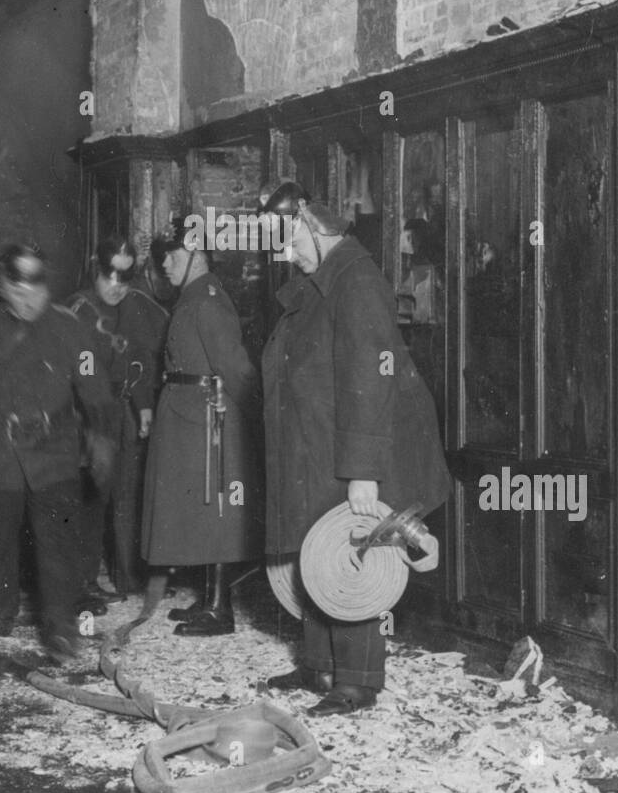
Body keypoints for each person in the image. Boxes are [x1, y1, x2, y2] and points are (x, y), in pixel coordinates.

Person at [258, 182, 452, 715]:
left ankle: (358, 680)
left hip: (357, 444)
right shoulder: (322, 280)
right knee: (316, 544)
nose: (284, 251)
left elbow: (371, 379)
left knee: (354, 550)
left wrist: (364, 472)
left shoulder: (358, 283)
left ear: (313, 227)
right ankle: (320, 665)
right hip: (321, 437)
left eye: (287, 238)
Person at [0, 244, 117, 664]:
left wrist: (101, 437)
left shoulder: (68, 327)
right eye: (19, 290)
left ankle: (61, 626)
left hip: (54, 450)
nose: (29, 299)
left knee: (57, 542)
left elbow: (94, 385)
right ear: (4, 288)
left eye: (37, 289)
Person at [141, 218, 262, 635]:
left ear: (195, 254)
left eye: (170, 257)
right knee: (201, 510)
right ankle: (208, 599)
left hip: (210, 419)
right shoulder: (192, 298)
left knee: (217, 512)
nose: (165, 267)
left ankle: (219, 608)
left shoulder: (208, 300)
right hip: (191, 417)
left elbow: (236, 368)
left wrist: (254, 421)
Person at [66, 235, 169, 597]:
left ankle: (128, 576)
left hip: (123, 409)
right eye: (110, 275)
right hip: (90, 413)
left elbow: (139, 357)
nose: (115, 286)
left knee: (127, 492)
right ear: (96, 268)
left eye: (124, 278)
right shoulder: (78, 310)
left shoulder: (134, 305)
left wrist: (143, 404)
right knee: (92, 497)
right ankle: (83, 582)